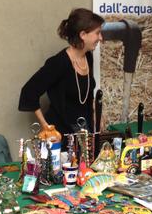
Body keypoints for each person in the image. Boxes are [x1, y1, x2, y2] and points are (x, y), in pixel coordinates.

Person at [19, 8, 104, 138]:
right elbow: (29, 92)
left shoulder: (88, 57)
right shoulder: (58, 63)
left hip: (85, 131)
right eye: (97, 33)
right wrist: (46, 127)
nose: (101, 38)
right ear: (83, 35)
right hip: (62, 135)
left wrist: (97, 115)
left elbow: (87, 95)